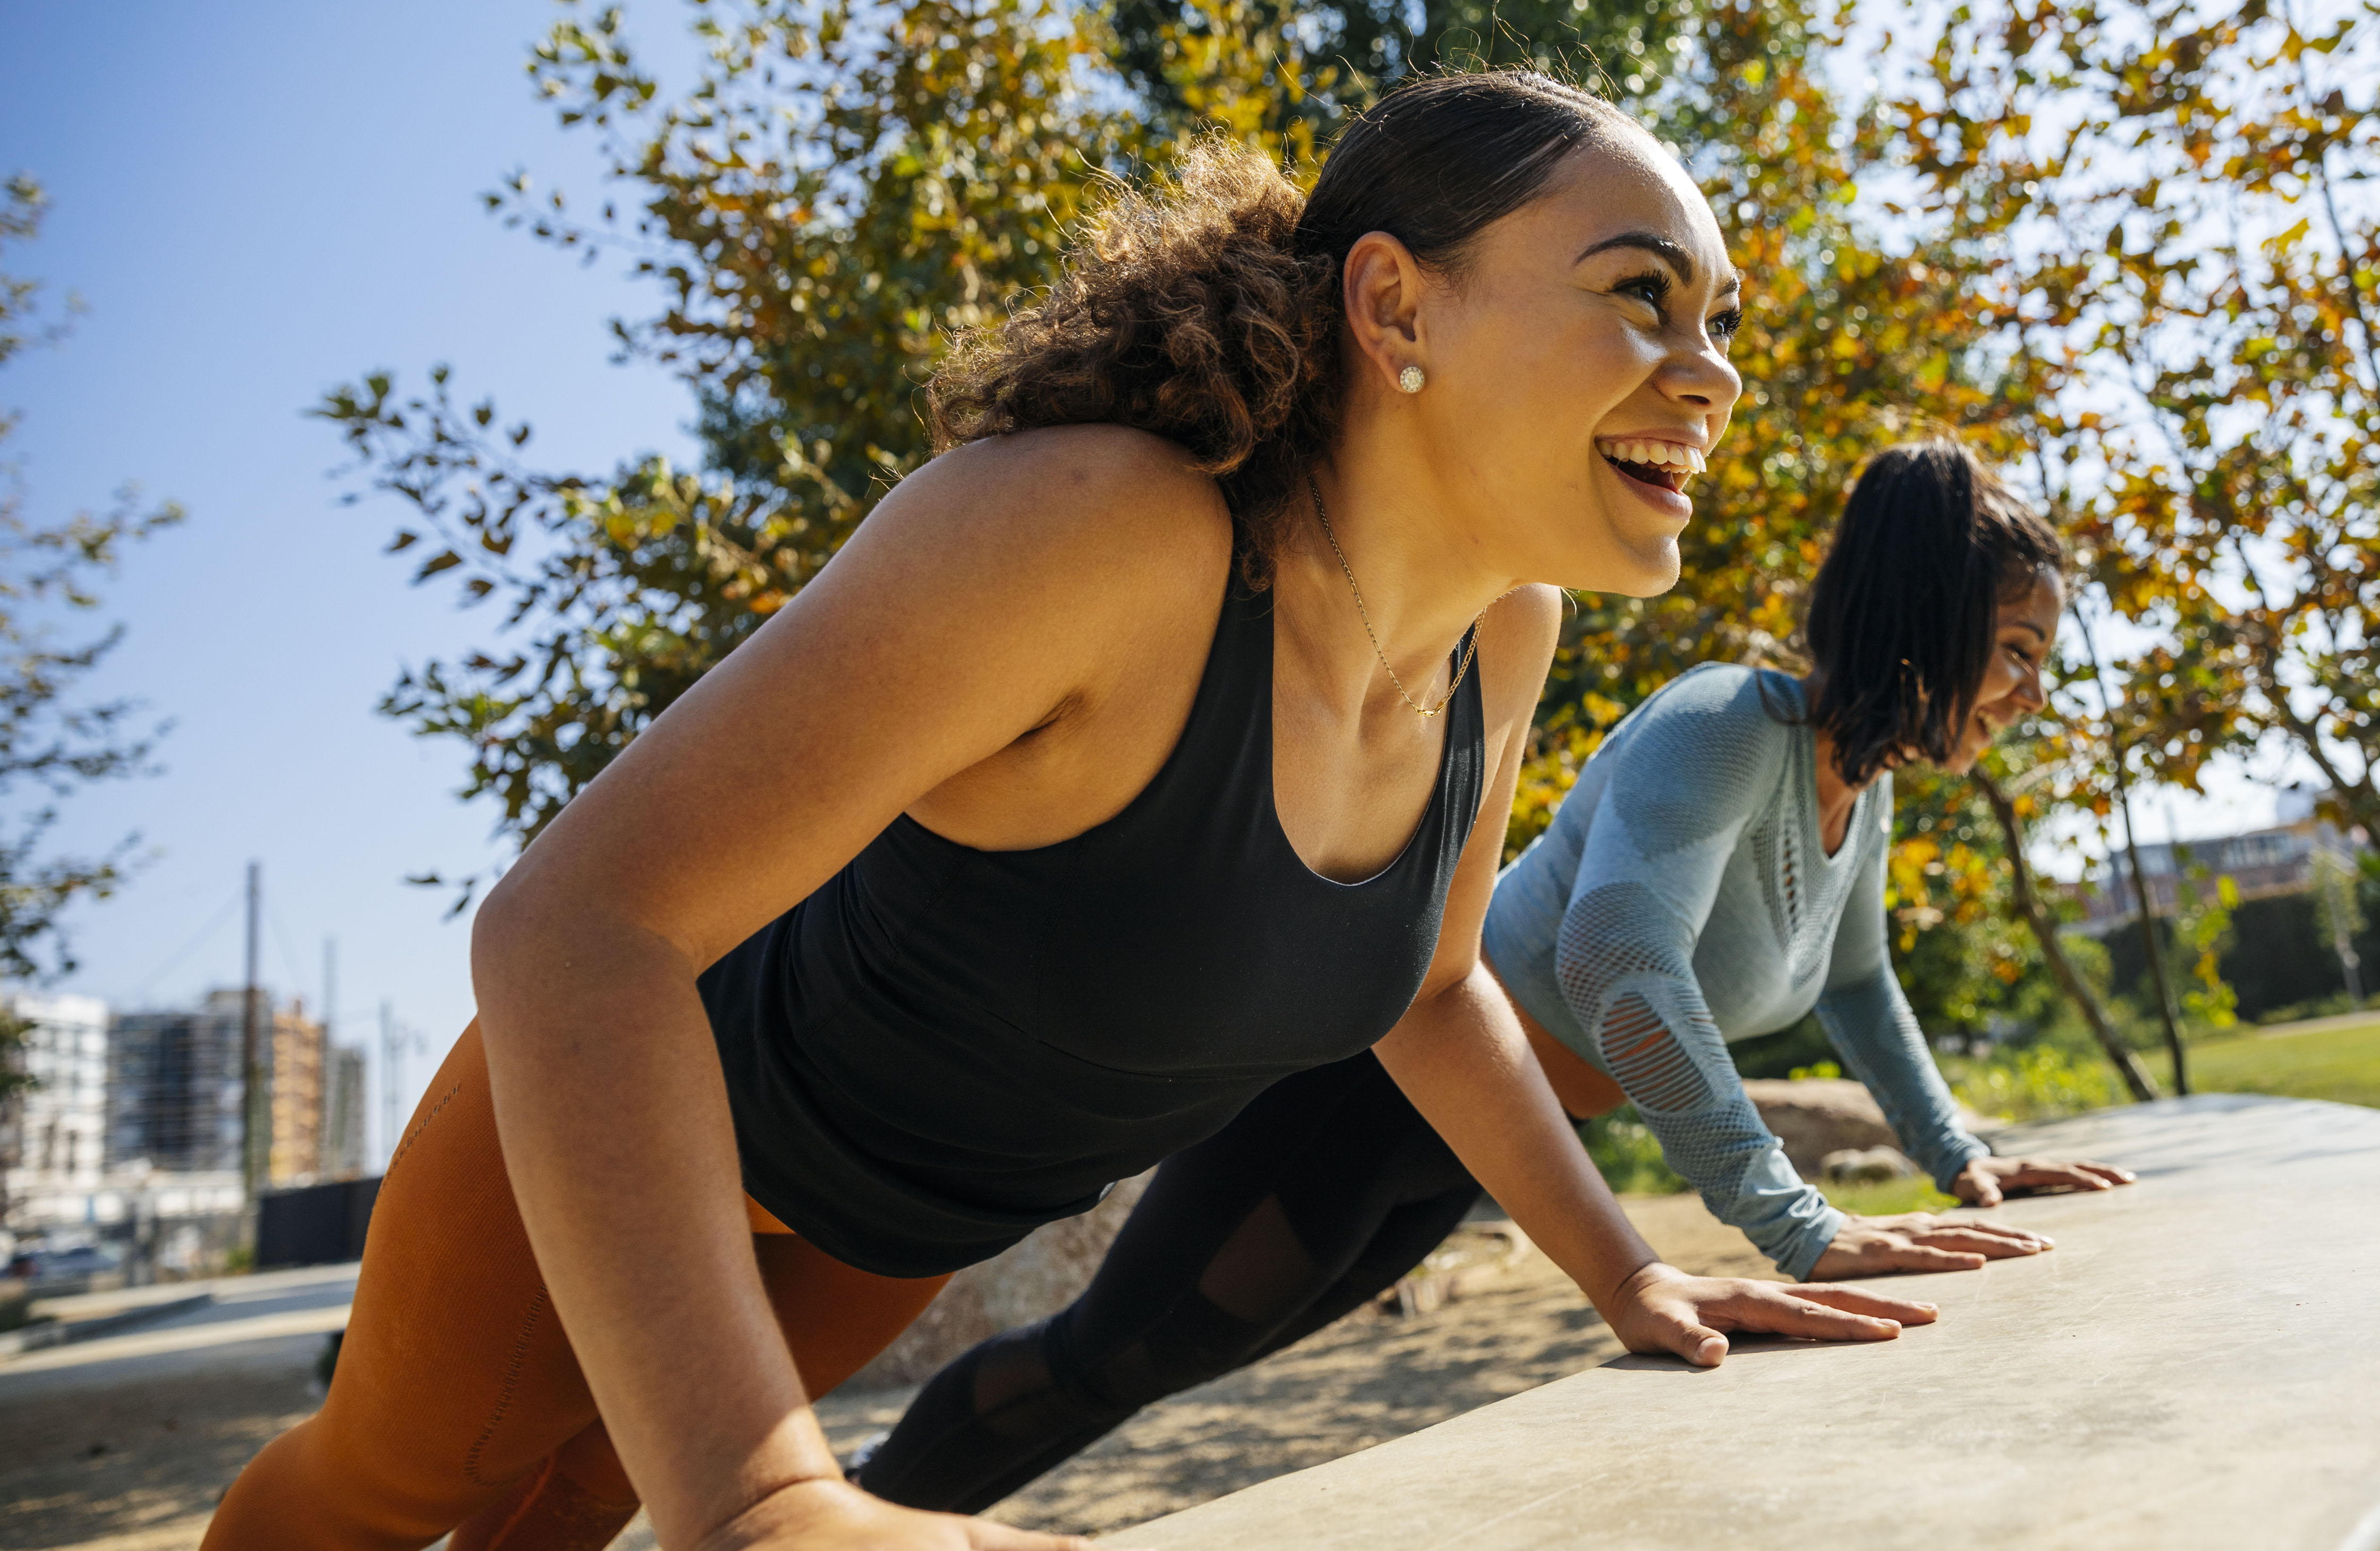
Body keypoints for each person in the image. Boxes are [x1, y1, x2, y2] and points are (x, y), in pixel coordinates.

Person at [202, 71, 1947, 1551]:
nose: (1708, 372)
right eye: (1641, 295)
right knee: (397, 1487)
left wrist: (1632, 1278)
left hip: (896, 1221)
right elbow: (574, 925)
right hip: (635, 1132)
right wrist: (758, 1501)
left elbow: (1426, 989)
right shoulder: (1106, 530)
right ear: (1397, 308)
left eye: (1721, 322)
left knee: (570, 1503)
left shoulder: (1504, 628)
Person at [854, 440, 2137, 1515]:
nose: (2031, 689)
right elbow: (1618, 962)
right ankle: (839, 1508)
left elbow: (1857, 981)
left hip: (1484, 1139)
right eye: (2017, 648)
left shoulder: (1860, 791)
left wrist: (1960, 1151)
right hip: (1363, 1092)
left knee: (1161, 1360)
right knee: (1119, 1355)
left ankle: (870, 1518)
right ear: (1930, 616)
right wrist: (1798, 1224)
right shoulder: (1728, 727)